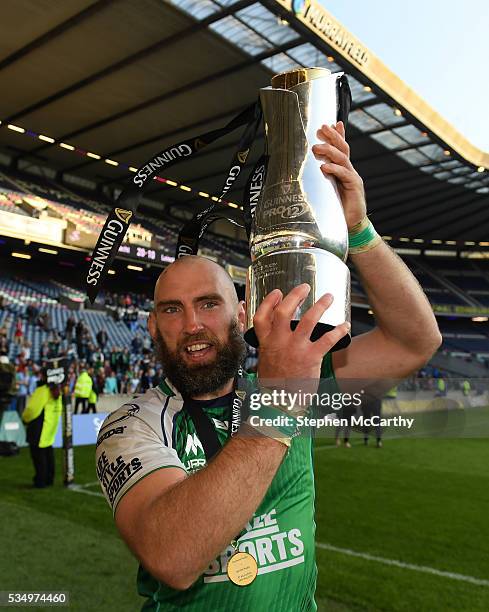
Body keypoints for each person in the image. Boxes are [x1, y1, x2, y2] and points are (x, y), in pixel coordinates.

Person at [95, 121, 441, 609]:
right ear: (153, 327)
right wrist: (282, 399)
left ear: (241, 313)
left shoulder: (296, 379)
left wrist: (358, 231)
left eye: (208, 304)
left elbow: (415, 341)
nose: (192, 323)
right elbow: (173, 556)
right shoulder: (130, 426)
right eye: (172, 310)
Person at [22, 380, 62, 488]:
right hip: (49, 427)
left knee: (38, 456)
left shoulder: (43, 390)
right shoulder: (57, 389)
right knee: (48, 453)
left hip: (39, 426)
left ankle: (40, 481)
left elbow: (31, 409)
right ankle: (49, 479)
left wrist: (24, 418)